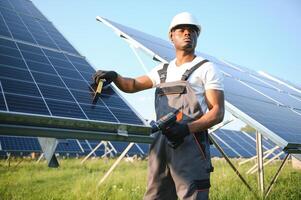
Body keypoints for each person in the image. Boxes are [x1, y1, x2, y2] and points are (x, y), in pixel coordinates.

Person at [92, 12, 224, 200]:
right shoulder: (162, 70)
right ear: (172, 36)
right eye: (182, 29)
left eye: (192, 31)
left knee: (192, 195)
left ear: (197, 36)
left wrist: (186, 129)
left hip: (190, 142)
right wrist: (115, 77)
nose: (187, 33)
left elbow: (217, 112)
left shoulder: (206, 68)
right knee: (156, 195)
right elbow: (133, 85)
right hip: (161, 144)